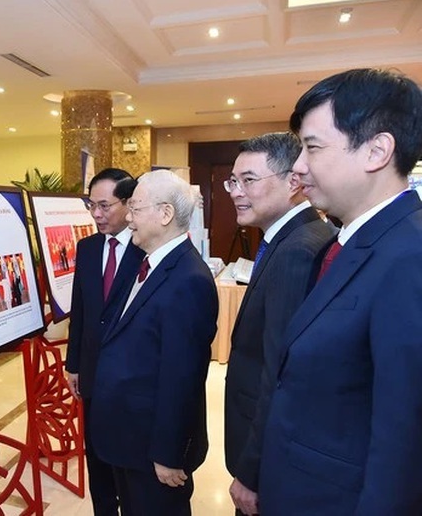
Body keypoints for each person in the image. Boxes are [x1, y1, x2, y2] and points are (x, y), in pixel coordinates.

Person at [259, 68, 422, 514]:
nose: (298, 166)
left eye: (312, 147)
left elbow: (403, 442)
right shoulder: (345, 244)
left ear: (376, 150)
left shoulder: (410, 257)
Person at [90, 170, 218, 515]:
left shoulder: (188, 279)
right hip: (129, 439)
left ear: (165, 214)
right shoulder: (150, 264)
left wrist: (168, 453)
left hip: (153, 450)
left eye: (135, 208)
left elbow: (183, 377)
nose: (128, 218)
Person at [223, 132, 335, 515]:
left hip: (269, 456)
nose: (236, 192)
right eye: (233, 181)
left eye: (249, 180)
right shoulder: (290, 237)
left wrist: (251, 470)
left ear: (293, 182)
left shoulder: (298, 249)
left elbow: (280, 372)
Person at [65, 167, 144, 515]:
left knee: (128, 466)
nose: (96, 214)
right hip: (93, 374)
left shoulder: (145, 250)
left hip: (130, 379)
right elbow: (80, 310)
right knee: (96, 459)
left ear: (128, 203)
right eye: (91, 205)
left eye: (104, 206)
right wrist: (73, 364)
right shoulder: (87, 248)